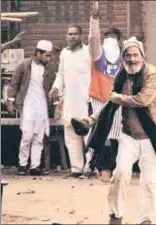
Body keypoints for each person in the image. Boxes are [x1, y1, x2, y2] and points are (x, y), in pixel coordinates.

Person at [83, 36, 156, 225]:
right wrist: (92, 119)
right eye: (128, 55)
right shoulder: (121, 75)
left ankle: (145, 220)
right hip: (128, 135)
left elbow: (142, 100)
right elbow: (110, 103)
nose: (132, 59)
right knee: (120, 173)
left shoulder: (151, 73)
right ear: (123, 57)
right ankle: (116, 214)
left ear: (142, 56)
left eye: (135, 55)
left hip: (151, 136)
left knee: (149, 182)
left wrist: (119, 98)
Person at [81, 1, 123, 180]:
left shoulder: (125, 57)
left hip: (117, 100)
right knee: (100, 134)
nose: (109, 38)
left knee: (116, 135)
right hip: (99, 99)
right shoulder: (98, 55)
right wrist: (95, 20)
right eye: (106, 35)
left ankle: (112, 168)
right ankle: (97, 166)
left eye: (112, 35)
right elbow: (93, 40)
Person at [6, 40, 56, 175]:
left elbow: (53, 87)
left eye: (50, 55)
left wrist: (56, 105)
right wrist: (10, 101)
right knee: (27, 135)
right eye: (46, 55)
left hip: (42, 105)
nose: (49, 58)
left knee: (39, 137)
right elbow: (14, 84)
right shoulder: (24, 65)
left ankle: (35, 166)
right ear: (38, 53)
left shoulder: (50, 67)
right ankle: (22, 165)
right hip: (27, 103)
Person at [49, 24, 91, 178]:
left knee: (87, 134)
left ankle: (89, 168)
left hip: (86, 100)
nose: (72, 36)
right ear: (66, 36)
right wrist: (55, 87)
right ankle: (76, 169)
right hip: (70, 101)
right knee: (71, 135)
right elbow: (60, 74)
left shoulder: (88, 52)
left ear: (81, 36)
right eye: (69, 34)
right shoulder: (64, 54)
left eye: (75, 34)